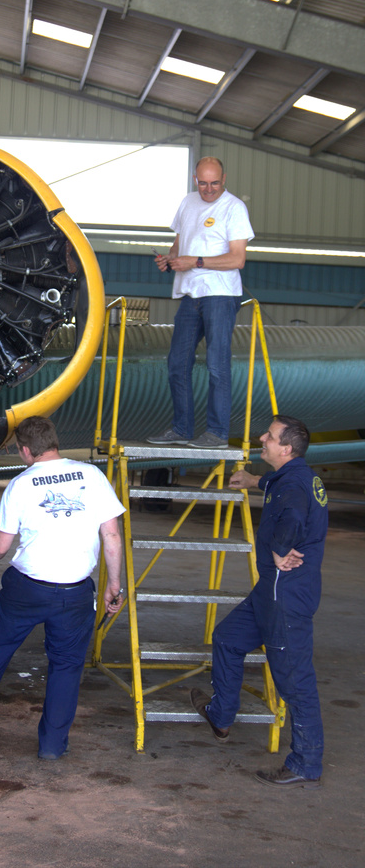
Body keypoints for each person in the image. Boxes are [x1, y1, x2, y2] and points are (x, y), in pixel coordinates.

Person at [0, 415, 125, 760]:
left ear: (25, 450)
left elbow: (0, 547)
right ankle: (52, 746)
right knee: (66, 667)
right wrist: (114, 583)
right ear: (55, 443)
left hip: (27, 590)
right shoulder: (93, 476)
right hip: (76, 591)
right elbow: (111, 534)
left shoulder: (21, 485)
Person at [190, 414, 328, 787]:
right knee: (228, 638)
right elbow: (280, 486)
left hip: (286, 594)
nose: (261, 438)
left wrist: (280, 550)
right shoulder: (294, 475)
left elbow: (294, 515)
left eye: (270, 436)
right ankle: (220, 715)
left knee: (295, 682)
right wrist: (253, 480)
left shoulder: (294, 486)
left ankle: (305, 763)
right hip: (270, 590)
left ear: (286, 448)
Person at [148, 156, 254, 449]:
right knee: (177, 363)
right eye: (204, 183)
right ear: (196, 179)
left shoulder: (234, 208)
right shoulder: (188, 203)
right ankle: (182, 429)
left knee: (217, 364)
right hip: (190, 294)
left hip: (220, 294)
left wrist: (194, 261)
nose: (209, 189)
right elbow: (181, 243)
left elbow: (237, 258)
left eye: (215, 183)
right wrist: (170, 259)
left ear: (224, 179)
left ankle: (217, 433)